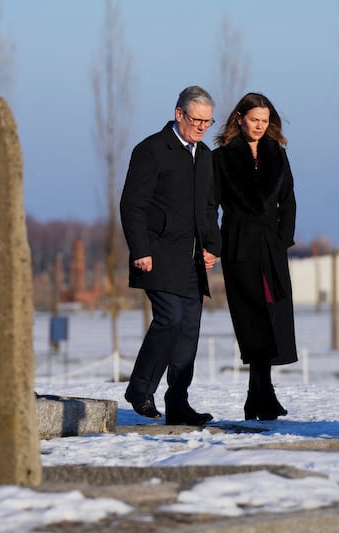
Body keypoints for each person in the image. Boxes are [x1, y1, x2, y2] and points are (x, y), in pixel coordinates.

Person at [119, 86, 221, 425]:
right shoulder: (151, 150)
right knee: (170, 319)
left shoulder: (204, 156)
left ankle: (178, 404)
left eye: (207, 121)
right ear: (179, 114)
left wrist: (211, 245)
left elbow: (208, 208)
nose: (202, 127)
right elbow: (132, 204)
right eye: (196, 119)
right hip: (158, 255)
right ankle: (139, 389)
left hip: (192, 261)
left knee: (188, 332)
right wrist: (141, 250)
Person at [213, 92, 297, 421]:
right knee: (252, 319)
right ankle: (261, 395)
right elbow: (211, 205)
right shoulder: (221, 157)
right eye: (254, 120)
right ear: (240, 119)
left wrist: (282, 238)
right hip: (239, 245)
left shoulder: (278, 153)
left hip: (271, 247)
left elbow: (289, 200)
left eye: (265, 121)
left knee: (273, 317)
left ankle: (259, 395)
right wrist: (214, 242)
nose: (260, 126)